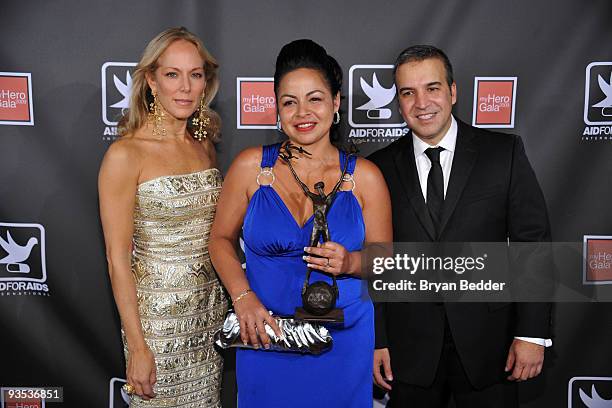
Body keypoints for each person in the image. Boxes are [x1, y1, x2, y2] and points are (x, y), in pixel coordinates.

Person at [209, 39, 392, 407]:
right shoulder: (251, 167)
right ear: (277, 108)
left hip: (343, 343)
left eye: (315, 98)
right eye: (289, 101)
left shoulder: (366, 177)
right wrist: (243, 299)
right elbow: (220, 239)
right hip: (265, 337)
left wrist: (351, 262)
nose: (302, 112)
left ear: (336, 102)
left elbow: (384, 259)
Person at [368, 45, 552, 407]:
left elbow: (533, 243)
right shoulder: (378, 169)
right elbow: (375, 259)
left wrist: (532, 334)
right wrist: (378, 338)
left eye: (432, 88)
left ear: (453, 92)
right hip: (409, 352)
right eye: (408, 92)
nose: (422, 103)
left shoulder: (503, 154)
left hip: (491, 346)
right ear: (399, 101)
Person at [98, 27, 227, 407]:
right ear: (151, 81)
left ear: (206, 82)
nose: (185, 86)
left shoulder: (204, 144)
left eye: (196, 74)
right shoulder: (125, 155)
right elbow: (116, 260)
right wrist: (138, 346)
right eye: (172, 74)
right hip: (157, 324)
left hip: (208, 316)